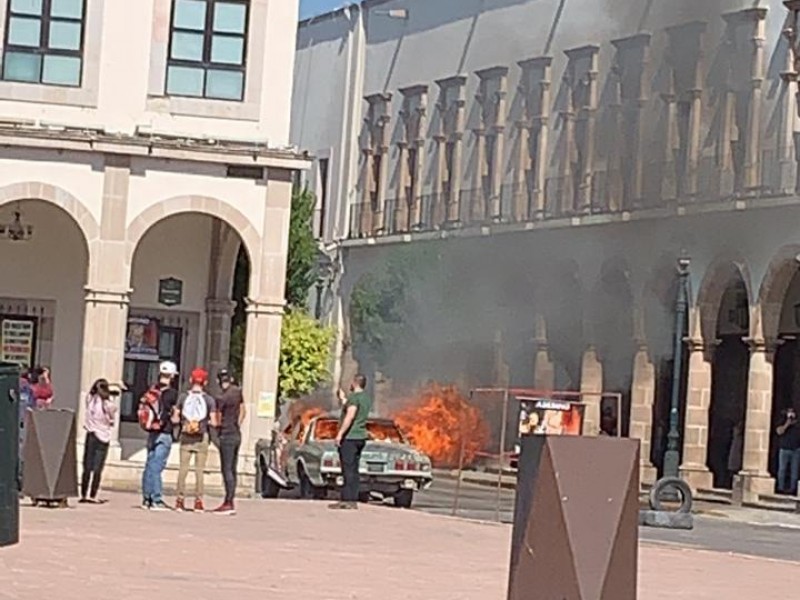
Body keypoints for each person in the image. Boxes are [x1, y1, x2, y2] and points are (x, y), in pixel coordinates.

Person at [173, 368, 218, 512]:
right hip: (201, 436)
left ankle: (179, 500)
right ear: (205, 382)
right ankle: (198, 502)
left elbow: (175, 418)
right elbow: (214, 422)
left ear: (191, 380)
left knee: (183, 469)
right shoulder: (209, 400)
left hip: (186, 436)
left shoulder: (182, 397)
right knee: (199, 470)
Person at [329, 374, 372, 510]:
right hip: (361, 437)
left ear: (354, 383)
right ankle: (353, 498)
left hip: (350, 437)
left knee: (347, 469)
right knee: (354, 469)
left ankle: (347, 500)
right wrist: (343, 399)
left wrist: (340, 434)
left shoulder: (354, 397)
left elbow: (350, 415)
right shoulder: (365, 398)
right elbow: (352, 408)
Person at [141, 361, 179, 511]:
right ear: (172, 376)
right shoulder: (172, 394)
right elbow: (175, 417)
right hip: (165, 432)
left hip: (152, 432)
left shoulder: (152, 391)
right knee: (157, 467)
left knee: (149, 465)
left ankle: (146, 499)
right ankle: (156, 499)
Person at [213, 368, 246, 515]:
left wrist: (217, 428)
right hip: (236, 433)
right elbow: (243, 410)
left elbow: (218, 418)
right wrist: (237, 423)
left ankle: (228, 502)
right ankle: (230, 499)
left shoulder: (221, 397)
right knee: (233, 468)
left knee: (226, 469)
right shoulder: (237, 393)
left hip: (226, 435)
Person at [80, 379, 117, 504]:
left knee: (89, 466)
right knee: (96, 467)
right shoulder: (107, 403)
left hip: (93, 434)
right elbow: (112, 415)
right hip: (101, 435)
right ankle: (91, 494)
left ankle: (85, 494)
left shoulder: (91, 400)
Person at [776, 407, 800, 495]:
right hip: (784, 448)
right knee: (782, 469)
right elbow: (779, 431)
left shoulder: (798, 424)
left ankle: (793, 489)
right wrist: (787, 424)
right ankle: (780, 488)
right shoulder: (782, 421)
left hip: (796, 450)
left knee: (794, 470)